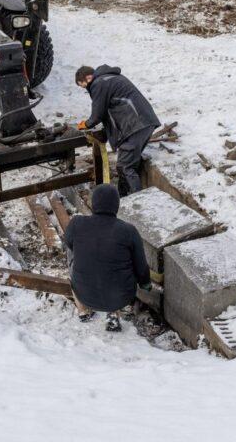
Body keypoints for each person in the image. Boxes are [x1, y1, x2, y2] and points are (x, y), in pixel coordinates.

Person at [63, 183, 151, 332]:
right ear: (116, 205)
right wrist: (145, 283)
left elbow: (69, 244)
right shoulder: (128, 230)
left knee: (72, 250)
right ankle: (113, 314)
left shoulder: (77, 223)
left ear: (94, 203)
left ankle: (83, 310)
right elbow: (141, 265)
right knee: (120, 259)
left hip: (84, 295)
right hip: (121, 297)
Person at [76, 64, 160, 196]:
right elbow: (111, 110)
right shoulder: (110, 78)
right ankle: (123, 195)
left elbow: (98, 114)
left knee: (125, 166)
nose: (86, 89)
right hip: (141, 122)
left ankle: (139, 200)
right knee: (126, 164)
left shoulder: (99, 83)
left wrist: (86, 124)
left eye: (83, 85)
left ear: (88, 78)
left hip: (136, 125)